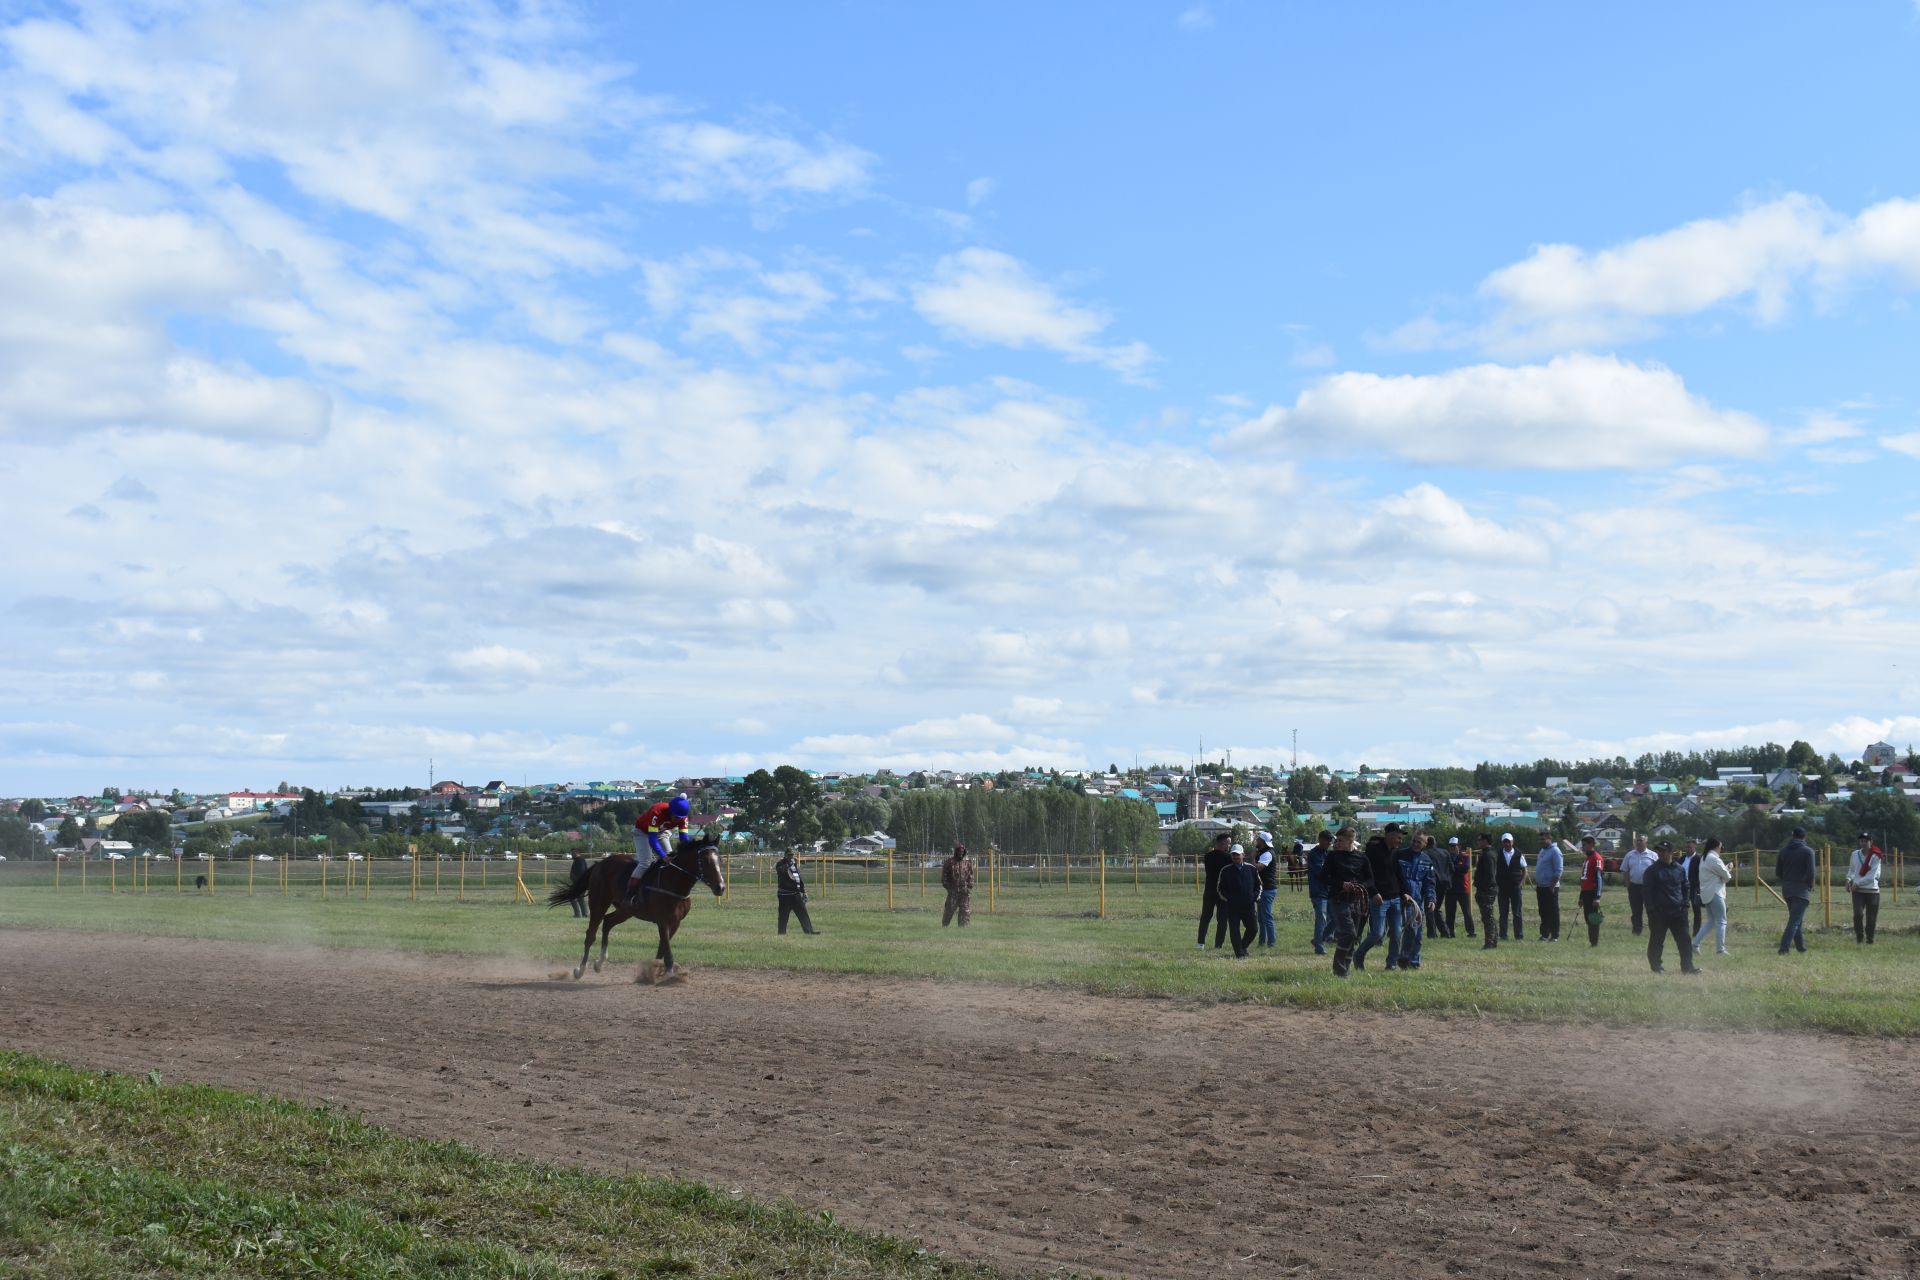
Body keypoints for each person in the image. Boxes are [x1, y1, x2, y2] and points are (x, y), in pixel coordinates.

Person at [1353, 824, 1412, 972]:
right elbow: (1365, 873)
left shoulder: (1395, 852)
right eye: (1398, 837)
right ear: (1390, 835)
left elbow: (1398, 874)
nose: (1400, 841)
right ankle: (1358, 955)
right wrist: (1373, 893)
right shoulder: (1373, 850)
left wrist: (1404, 892)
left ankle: (1391, 964)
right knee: (1377, 934)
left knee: (1397, 933)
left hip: (1395, 898)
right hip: (1379, 898)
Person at [1642, 840, 1700, 975]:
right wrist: (1651, 910)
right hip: (1659, 913)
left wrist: (1685, 904)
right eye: (1659, 851)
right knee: (1657, 940)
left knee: (1684, 940)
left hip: (1679, 912)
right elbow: (1647, 892)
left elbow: (1685, 887)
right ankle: (1657, 967)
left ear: (1670, 852)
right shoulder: (1651, 871)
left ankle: (1688, 967)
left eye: (1663, 851)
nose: (1660, 853)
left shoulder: (1679, 869)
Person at [1323, 827, 1374, 978]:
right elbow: (1324, 877)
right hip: (1338, 899)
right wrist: (1341, 884)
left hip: (1357, 900)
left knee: (1355, 936)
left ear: (1350, 841)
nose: (1336, 844)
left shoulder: (1362, 858)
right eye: (1336, 841)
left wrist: (1360, 887)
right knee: (1348, 933)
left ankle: (1346, 968)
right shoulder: (1333, 857)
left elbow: (1370, 879)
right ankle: (1338, 968)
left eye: (1340, 841)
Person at [626, 791, 692, 903]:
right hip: (642, 832)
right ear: (670, 810)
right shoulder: (657, 811)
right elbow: (652, 839)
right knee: (645, 863)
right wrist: (663, 856)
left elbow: (684, 839)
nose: (677, 820)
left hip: (661, 832)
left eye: (680, 818)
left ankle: (666, 892)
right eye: (676, 817)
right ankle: (630, 894)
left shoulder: (683, 818)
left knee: (671, 862)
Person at [1775, 827, 1817, 956]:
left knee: (1796, 919)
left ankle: (1801, 947)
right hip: (1801, 889)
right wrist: (1809, 884)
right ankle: (1783, 948)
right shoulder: (1808, 851)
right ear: (1804, 837)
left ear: (1792, 836)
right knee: (1794, 921)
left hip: (1787, 889)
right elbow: (1811, 872)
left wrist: (1788, 880)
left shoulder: (1783, 851)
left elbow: (1778, 872)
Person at [1217, 843, 1261, 959]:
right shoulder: (1225, 871)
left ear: (1243, 855)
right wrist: (1229, 899)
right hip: (1233, 907)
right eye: (1233, 855)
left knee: (1253, 929)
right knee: (1234, 931)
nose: (1235, 857)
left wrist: (1254, 897)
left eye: (1237, 855)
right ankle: (1239, 954)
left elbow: (1259, 886)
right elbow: (1220, 888)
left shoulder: (1251, 869)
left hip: (1249, 906)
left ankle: (1242, 946)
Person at [1396, 835, 1434, 970]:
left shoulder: (1427, 860)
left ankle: (1413, 962)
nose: (1416, 844)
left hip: (1417, 901)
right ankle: (1401, 958)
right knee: (1408, 929)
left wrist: (1431, 899)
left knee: (1417, 933)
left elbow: (1429, 883)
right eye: (1414, 841)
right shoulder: (1400, 855)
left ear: (1425, 844)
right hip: (1400, 897)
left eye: (1419, 842)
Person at [1691, 837, 1731, 957]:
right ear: (1717, 846)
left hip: (1707, 893)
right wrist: (1728, 869)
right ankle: (1720, 950)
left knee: (1711, 921)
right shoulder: (1714, 859)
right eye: (1721, 847)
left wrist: (1723, 873)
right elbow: (1727, 877)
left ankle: (1695, 944)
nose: (1721, 849)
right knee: (1721, 921)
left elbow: (1718, 874)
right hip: (1715, 893)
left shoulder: (1704, 858)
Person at [1196, 832, 1233, 950]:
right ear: (1222, 843)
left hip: (1209, 890)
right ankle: (1218, 945)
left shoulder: (1207, 856)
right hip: (1222, 892)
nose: (1229, 846)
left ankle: (1200, 943)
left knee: (1205, 917)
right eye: (1228, 843)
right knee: (1222, 919)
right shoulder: (1228, 858)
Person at [1847, 832, 1883, 945]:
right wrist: (1848, 879)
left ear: (1870, 842)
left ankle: (1870, 940)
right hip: (1857, 891)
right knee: (1858, 914)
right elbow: (1852, 870)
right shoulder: (1854, 854)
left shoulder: (1876, 855)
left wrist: (1857, 883)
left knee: (1871, 917)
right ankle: (1859, 938)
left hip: (1872, 890)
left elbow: (1872, 876)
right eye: (1861, 841)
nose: (1863, 843)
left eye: (1866, 841)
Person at [1619, 835, 1656, 936]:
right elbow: (1625, 870)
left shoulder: (1653, 855)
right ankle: (1636, 931)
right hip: (1634, 887)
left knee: (1651, 910)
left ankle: (1654, 931)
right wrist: (1628, 885)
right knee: (1636, 910)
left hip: (1649, 888)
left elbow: (1658, 871)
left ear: (1646, 842)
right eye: (1637, 840)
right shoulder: (1629, 855)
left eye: (1641, 840)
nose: (1639, 842)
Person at [775, 849, 819, 935]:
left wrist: (803, 891)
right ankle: (781, 933)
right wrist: (789, 864)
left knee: (803, 912)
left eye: (792, 855)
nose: (791, 856)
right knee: (783, 914)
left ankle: (809, 931)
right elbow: (782, 872)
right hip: (784, 894)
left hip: (795, 893)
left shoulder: (795, 865)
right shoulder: (780, 864)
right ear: (785, 855)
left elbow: (798, 878)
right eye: (789, 855)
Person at [1494, 833, 1528, 942]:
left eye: (1508, 841)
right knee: (1503, 913)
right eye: (1505, 841)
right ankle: (1503, 935)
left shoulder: (1519, 854)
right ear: (1502, 843)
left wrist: (1521, 882)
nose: (1507, 844)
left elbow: (1525, 870)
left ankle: (1519, 936)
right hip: (1502, 888)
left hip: (1515, 887)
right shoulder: (1498, 854)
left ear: (1512, 842)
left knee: (1517, 912)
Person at [1305, 830, 1333, 955]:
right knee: (1322, 919)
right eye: (1328, 840)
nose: (1330, 843)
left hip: (1330, 891)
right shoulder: (1313, 854)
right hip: (1318, 891)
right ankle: (1319, 947)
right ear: (1321, 839)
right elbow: (1321, 872)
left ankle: (1318, 939)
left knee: (1336, 918)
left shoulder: (1329, 854)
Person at [1422, 833, 1453, 938]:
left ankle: (1432, 933)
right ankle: (1445, 932)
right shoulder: (1445, 852)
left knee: (1430, 908)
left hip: (1432, 883)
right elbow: (1452, 869)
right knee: (1436, 907)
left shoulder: (1424, 853)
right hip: (1444, 883)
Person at [1444, 836, 1476, 939]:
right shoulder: (1446, 856)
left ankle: (1471, 932)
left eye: (1454, 846)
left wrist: (1453, 867)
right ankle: (1450, 932)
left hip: (1463, 889)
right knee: (1450, 912)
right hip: (1450, 889)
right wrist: (1457, 867)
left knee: (1467, 912)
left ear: (1459, 846)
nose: (1452, 848)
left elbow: (1465, 868)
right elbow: (1446, 868)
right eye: (1451, 846)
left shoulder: (1465, 856)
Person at [1533, 834, 1563, 942]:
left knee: (1553, 911)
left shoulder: (1555, 851)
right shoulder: (1542, 851)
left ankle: (1555, 935)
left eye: (1543, 839)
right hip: (1541, 887)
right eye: (1540, 839)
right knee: (1543, 911)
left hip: (1550, 887)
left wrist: (1552, 886)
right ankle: (1544, 934)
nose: (1541, 841)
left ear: (1549, 839)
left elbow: (1559, 870)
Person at [1576, 836, 1605, 947]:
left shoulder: (1597, 858)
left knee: (1593, 918)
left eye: (1584, 845)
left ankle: (1594, 943)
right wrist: (1581, 897)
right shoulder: (1587, 858)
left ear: (1591, 845)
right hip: (1586, 892)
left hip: (1593, 892)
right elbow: (1584, 879)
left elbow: (1599, 878)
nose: (1582, 847)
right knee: (1588, 918)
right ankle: (1592, 941)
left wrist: (1597, 897)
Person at [1254, 830, 1280, 948]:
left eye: (1258, 839)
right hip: (1263, 889)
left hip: (1267, 889)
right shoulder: (1263, 852)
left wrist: (1252, 858)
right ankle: (1262, 941)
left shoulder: (1267, 853)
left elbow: (1258, 868)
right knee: (1261, 918)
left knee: (1266, 916)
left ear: (1263, 842)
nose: (1257, 841)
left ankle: (1271, 942)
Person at [1473, 833, 1499, 950]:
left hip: (1486, 890)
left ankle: (1489, 942)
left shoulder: (1487, 855)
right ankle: (1493, 941)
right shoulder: (1492, 853)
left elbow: (1489, 875)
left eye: (1479, 840)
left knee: (1487, 917)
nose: (1478, 842)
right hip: (1489, 889)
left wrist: (1483, 888)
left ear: (1485, 841)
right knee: (1490, 916)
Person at [941, 844, 975, 928]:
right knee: (950, 909)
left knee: (965, 911)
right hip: (953, 891)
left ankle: (963, 928)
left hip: (964, 891)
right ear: (956, 852)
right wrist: (949, 888)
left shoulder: (967, 863)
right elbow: (944, 878)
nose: (961, 853)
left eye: (962, 851)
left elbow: (971, 877)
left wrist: (969, 888)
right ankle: (945, 925)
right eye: (959, 851)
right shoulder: (949, 863)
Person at [1681, 839, 1705, 937]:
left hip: (1694, 888)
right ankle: (1684, 931)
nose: (1687, 849)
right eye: (1686, 847)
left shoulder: (1699, 859)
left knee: (1697, 912)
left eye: (1689, 847)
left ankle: (1696, 933)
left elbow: (1703, 874)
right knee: (1683, 911)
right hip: (1682, 888)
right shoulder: (1682, 859)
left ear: (1695, 847)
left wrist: (1700, 887)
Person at [567, 852, 591, 917]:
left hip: (579, 884)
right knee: (580, 898)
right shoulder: (579, 860)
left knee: (572, 897)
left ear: (577, 853)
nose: (571, 855)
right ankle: (585, 914)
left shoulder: (579, 861)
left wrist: (577, 882)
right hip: (581, 883)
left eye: (573, 853)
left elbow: (581, 872)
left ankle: (578, 914)